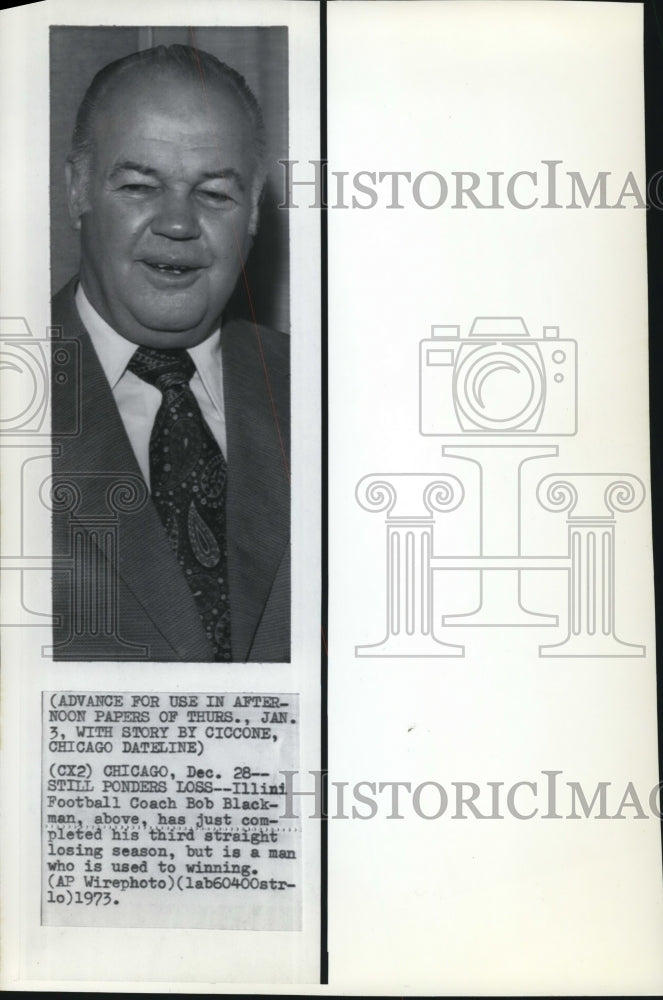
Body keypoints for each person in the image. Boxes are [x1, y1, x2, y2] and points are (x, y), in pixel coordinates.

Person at [51, 45, 290, 662]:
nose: (178, 224)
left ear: (255, 209)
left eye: (214, 194)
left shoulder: (334, 399)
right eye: (138, 186)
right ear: (78, 188)